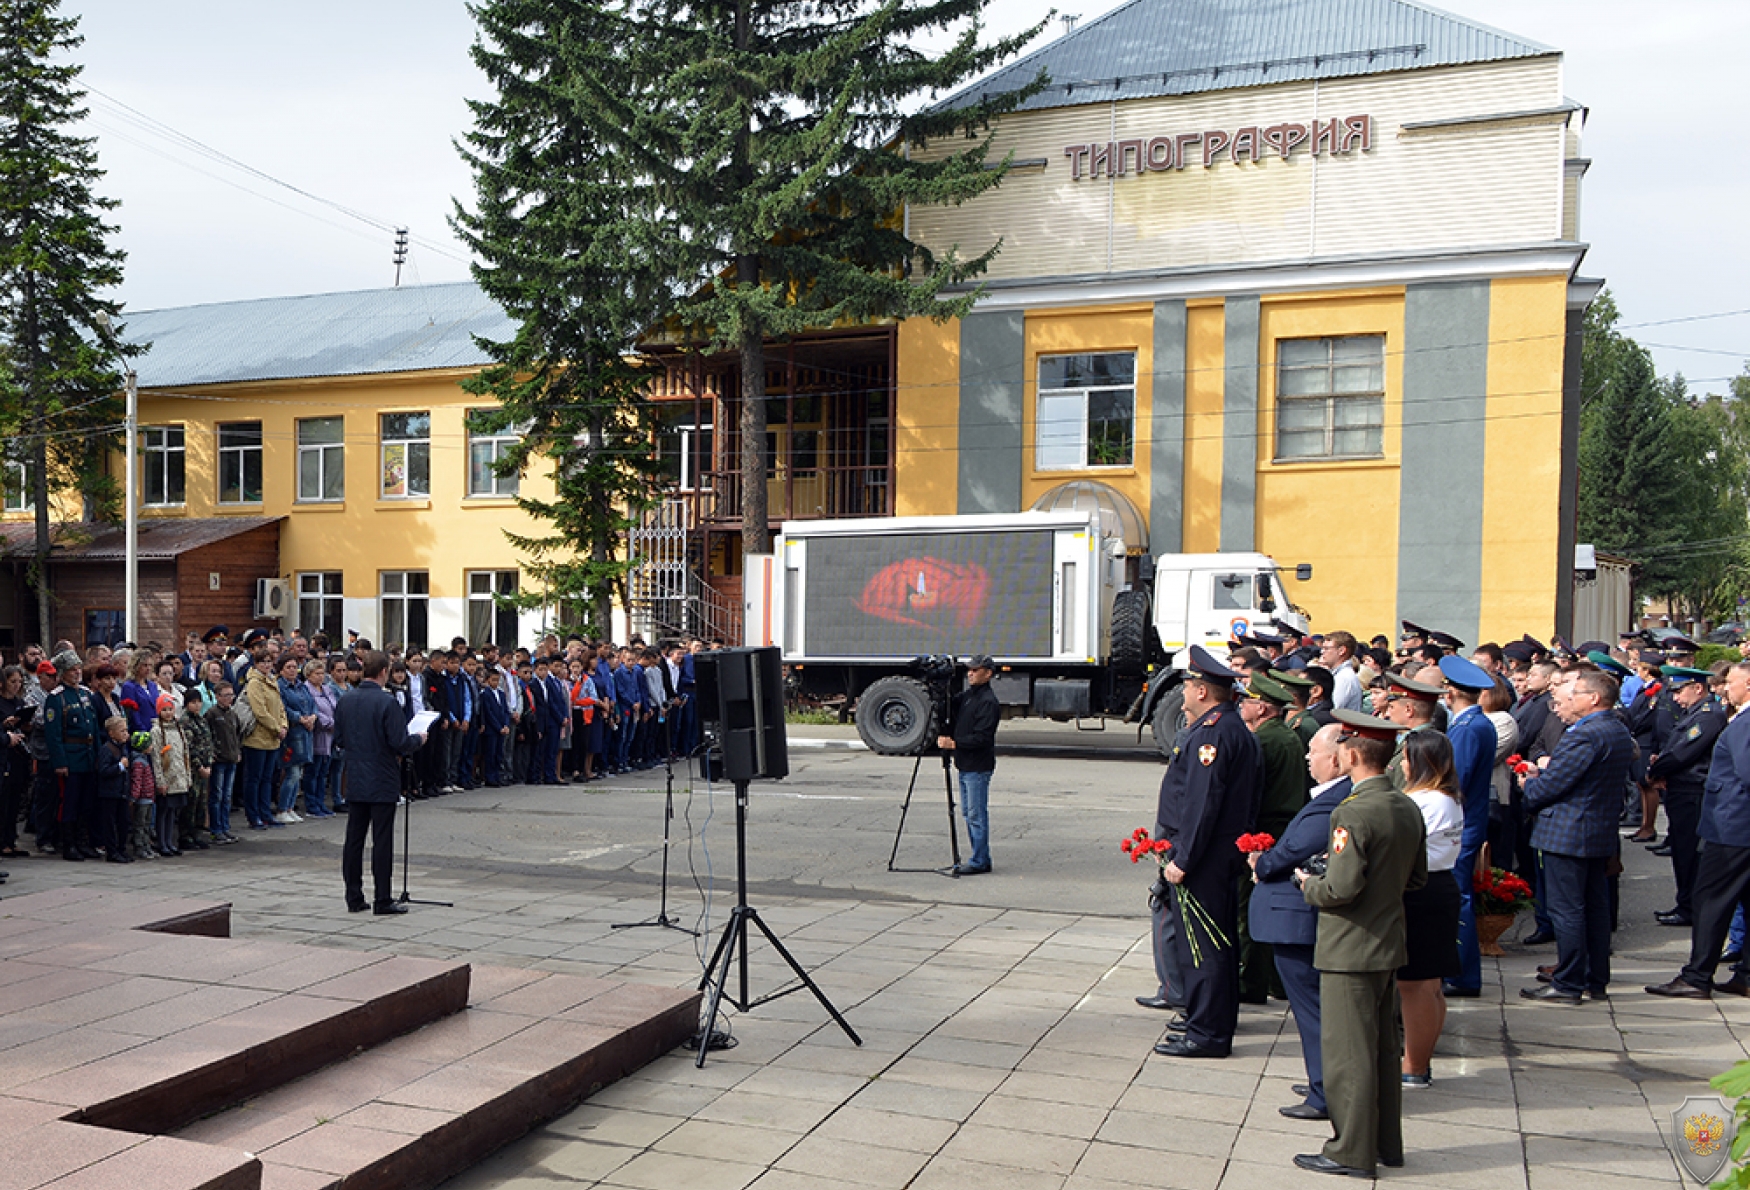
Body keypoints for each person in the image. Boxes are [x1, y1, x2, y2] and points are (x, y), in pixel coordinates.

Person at [1294, 708, 1426, 1178]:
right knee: (1384, 1052)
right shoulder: (1405, 805)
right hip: (1388, 942)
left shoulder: (1351, 811)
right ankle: (1386, 1143)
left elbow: (1340, 889)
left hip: (1349, 946)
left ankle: (1350, 1149)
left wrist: (1306, 884)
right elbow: (1417, 878)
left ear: (1350, 754)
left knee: (1349, 1055)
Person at [1152, 646, 1264, 1059]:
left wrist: (1183, 859)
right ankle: (1210, 1022)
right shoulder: (1231, 727)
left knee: (1203, 947)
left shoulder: (1214, 734)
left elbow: (1203, 804)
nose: (1182, 696)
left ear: (1202, 690)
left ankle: (1207, 1033)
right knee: (1215, 943)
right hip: (1218, 856)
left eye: (1186, 687)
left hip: (1206, 858)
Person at [1249, 722, 1351, 1121]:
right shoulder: (1331, 795)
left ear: (1338, 759)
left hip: (1299, 919)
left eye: (1314, 751)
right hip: (1299, 916)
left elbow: (1295, 848)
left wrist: (1264, 863)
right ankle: (1321, 1079)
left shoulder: (1333, 800)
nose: (1308, 758)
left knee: (1313, 1009)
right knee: (1313, 1007)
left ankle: (1325, 1091)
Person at [1519, 668, 1635, 1003]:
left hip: (1568, 832)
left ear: (1593, 698)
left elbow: (1553, 785)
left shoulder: (1585, 734)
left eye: (1574, 695)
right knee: (1595, 908)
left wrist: (1531, 784)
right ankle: (1594, 978)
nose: (1566, 702)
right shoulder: (1614, 728)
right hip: (1594, 831)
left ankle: (1568, 982)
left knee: (1567, 910)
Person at [1647, 659, 1750, 999]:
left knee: (1709, 900)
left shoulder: (1745, 722)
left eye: (1731, 682)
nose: (1725, 687)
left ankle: (1697, 976)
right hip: (1737, 825)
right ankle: (1745, 974)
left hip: (1733, 826)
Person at [1395, 731, 1464, 1088]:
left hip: (1421, 892)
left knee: (1416, 986)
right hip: (1438, 888)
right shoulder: (1446, 797)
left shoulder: (1425, 801)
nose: (1402, 765)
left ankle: (1415, 1064)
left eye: (1406, 758)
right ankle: (1419, 1060)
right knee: (1429, 985)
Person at [335, 650, 426, 915]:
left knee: (354, 839)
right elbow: (400, 742)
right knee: (382, 840)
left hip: (356, 775)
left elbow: (339, 739)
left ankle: (354, 897)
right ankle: (382, 899)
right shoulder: (387, 703)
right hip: (383, 776)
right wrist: (419, 739)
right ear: (384, 672)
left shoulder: (346, 700)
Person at [1237, 670, 1307, 1004]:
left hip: (1264, 833)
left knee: (1250, 908)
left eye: (1249, 701)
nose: (1243, 705)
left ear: (1263, 708)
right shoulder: (1285, 734)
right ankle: (1275, 982)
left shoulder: (1264, 740)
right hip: (1282, 828)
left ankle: (1251, 982)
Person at [1437, 653, 1498, 999]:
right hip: (1466, 822)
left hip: (1461, 825)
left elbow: (1454, 779)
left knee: (1458, 899)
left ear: (1451, 693)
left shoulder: (1467, 728)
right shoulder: (1474, 724)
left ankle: (1461, 973)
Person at [1646, 664, 1725, 927]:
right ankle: (1686, 904)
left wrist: (1657, 769)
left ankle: (1689, 908)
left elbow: (1684, 753)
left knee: (1689, 854)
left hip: (1693, 791)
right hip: (1682, 789)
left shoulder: (1708, 715)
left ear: (1698, 688)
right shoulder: (1694, 713)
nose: (1676, 698)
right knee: (1682, 852)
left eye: (1680, 691)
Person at [936, 654, 1001, 877]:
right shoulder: (967, 697)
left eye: (975, 670)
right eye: (969, 670)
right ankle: (979, 856)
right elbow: (946, 706)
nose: (970, 673)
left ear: (988, 673)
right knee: (968, 813)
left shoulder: (988, 702)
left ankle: (980, 860)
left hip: (978, 766)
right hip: (964, 764)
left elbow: (982, 737)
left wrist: (954, 743)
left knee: (975, 814)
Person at [43, 649, 101, 861]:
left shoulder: (85, 693)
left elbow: (93, 727)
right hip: (71, 757)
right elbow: (54, 734)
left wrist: (96, 754)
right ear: (62, 673)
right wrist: (60, 762)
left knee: (87, 802)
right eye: (72, 670)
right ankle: (69, 844)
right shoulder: (56, 698)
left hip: (87, 755)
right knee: (70, 802)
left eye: (78, 668)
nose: (77, 673)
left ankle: (82, 841)